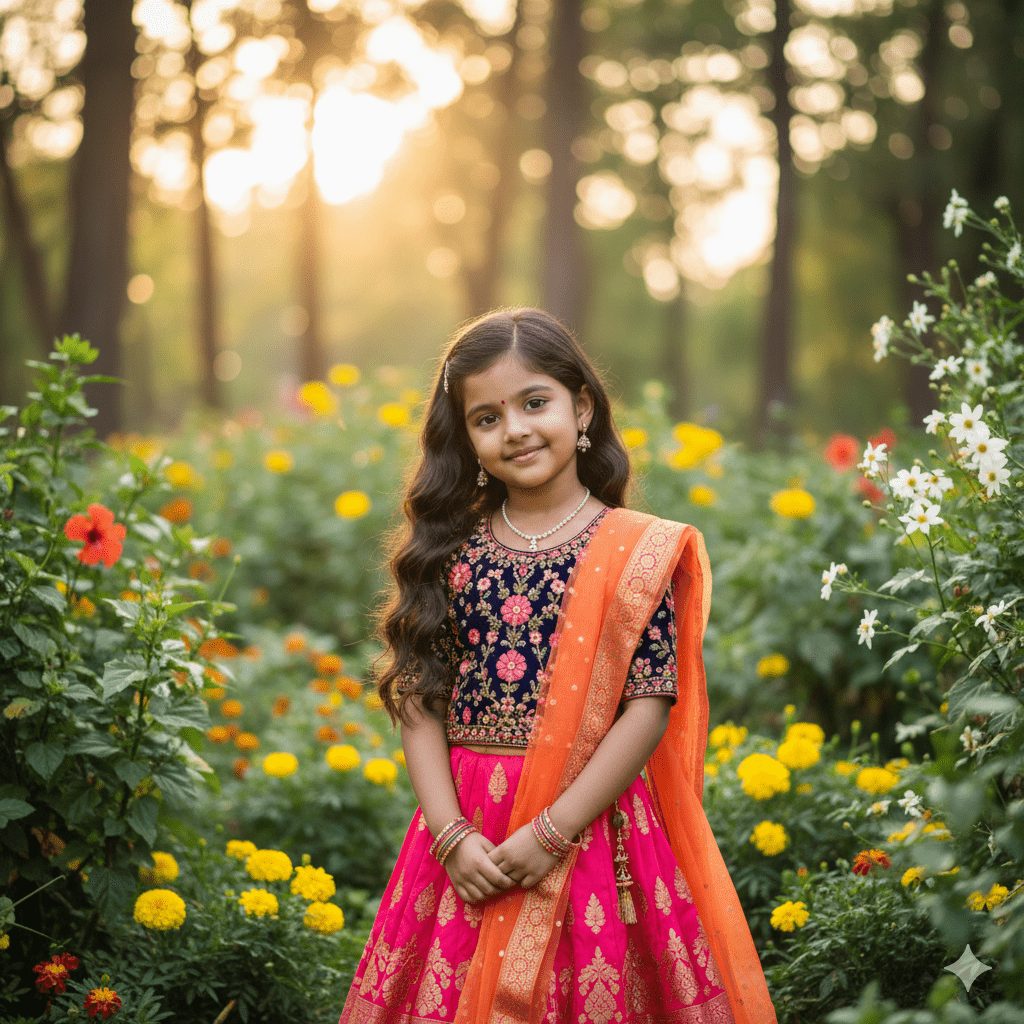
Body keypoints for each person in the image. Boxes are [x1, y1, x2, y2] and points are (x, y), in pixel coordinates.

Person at [338, 307, 777, 1024]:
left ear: (581, 409)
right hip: (466, 831)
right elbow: (420, 696)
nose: (514, 428)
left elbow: (649, 703)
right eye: (486, 417)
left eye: (533, 402)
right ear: (468, 441)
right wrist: (449, 836)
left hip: (594, 827)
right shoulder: (449, 552)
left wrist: (553, 831)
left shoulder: (635, 551)